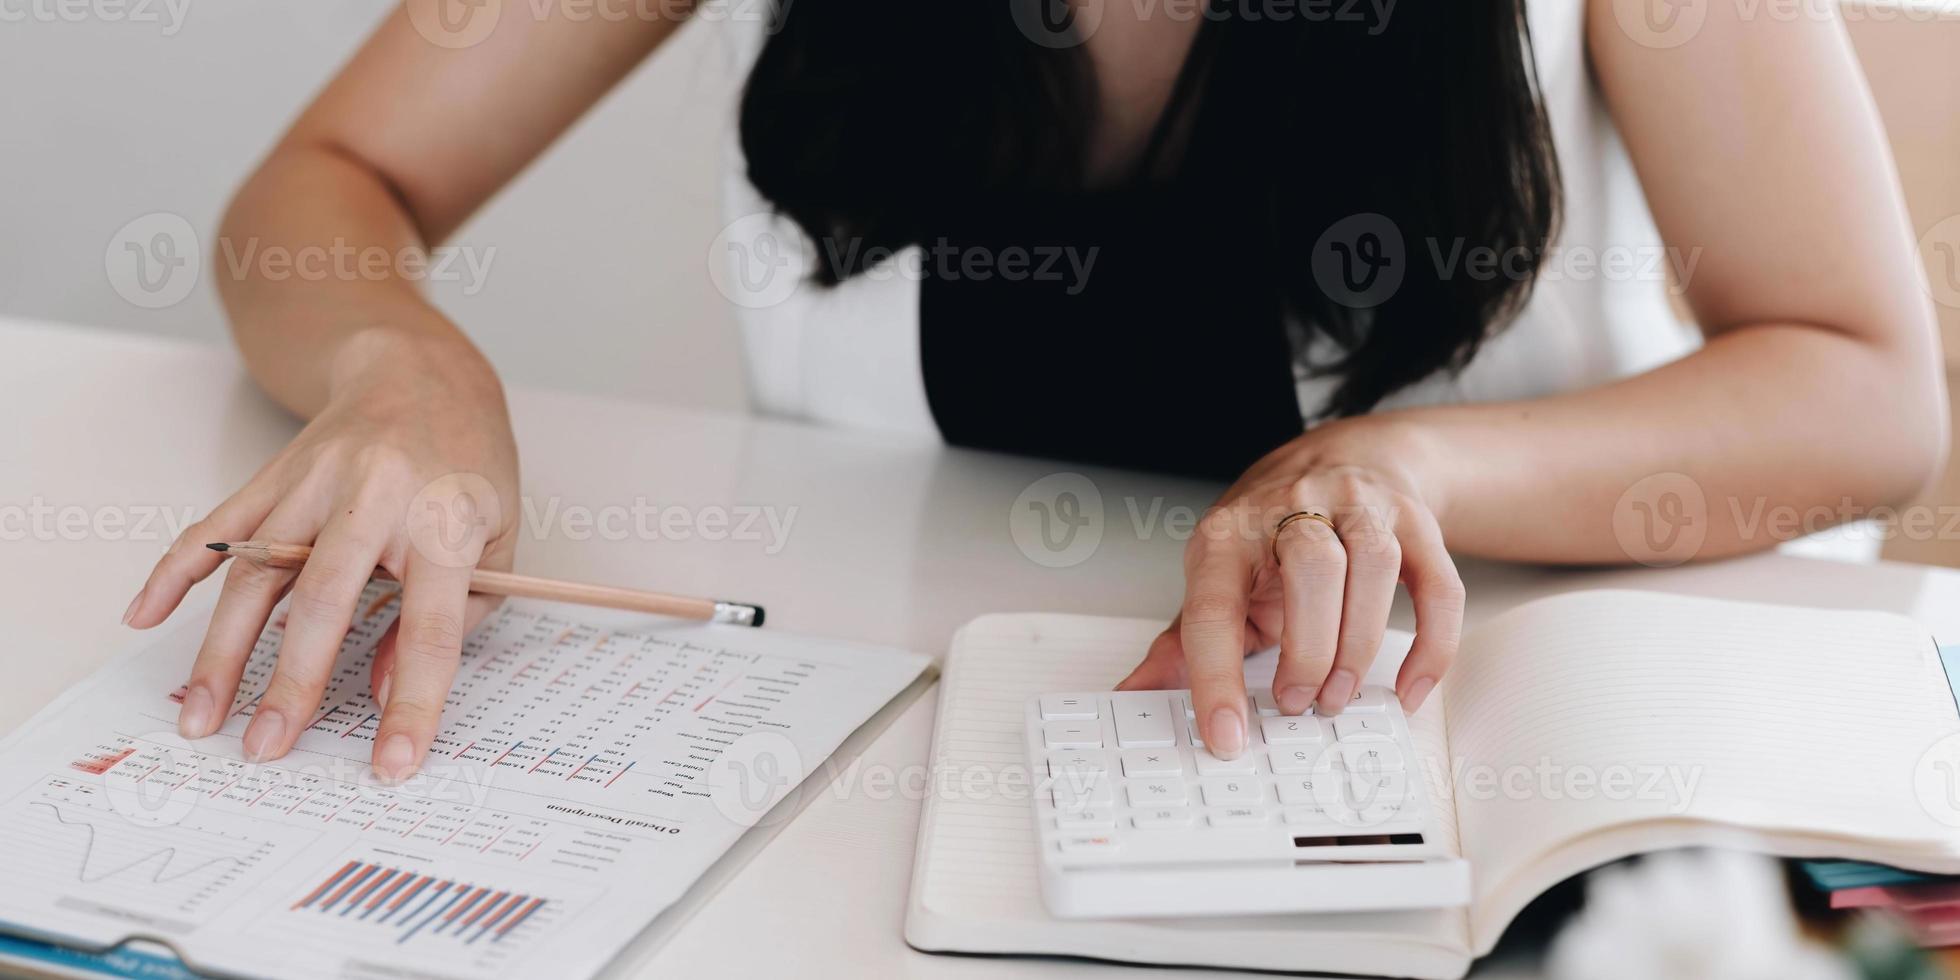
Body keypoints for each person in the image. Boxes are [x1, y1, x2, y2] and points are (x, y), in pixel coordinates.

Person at [122, 0, 1947, 780]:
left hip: (1497, 767)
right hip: (904, 761)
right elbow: (328, 188)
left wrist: (1409, 470)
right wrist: (406, 374)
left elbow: (1862, 387)